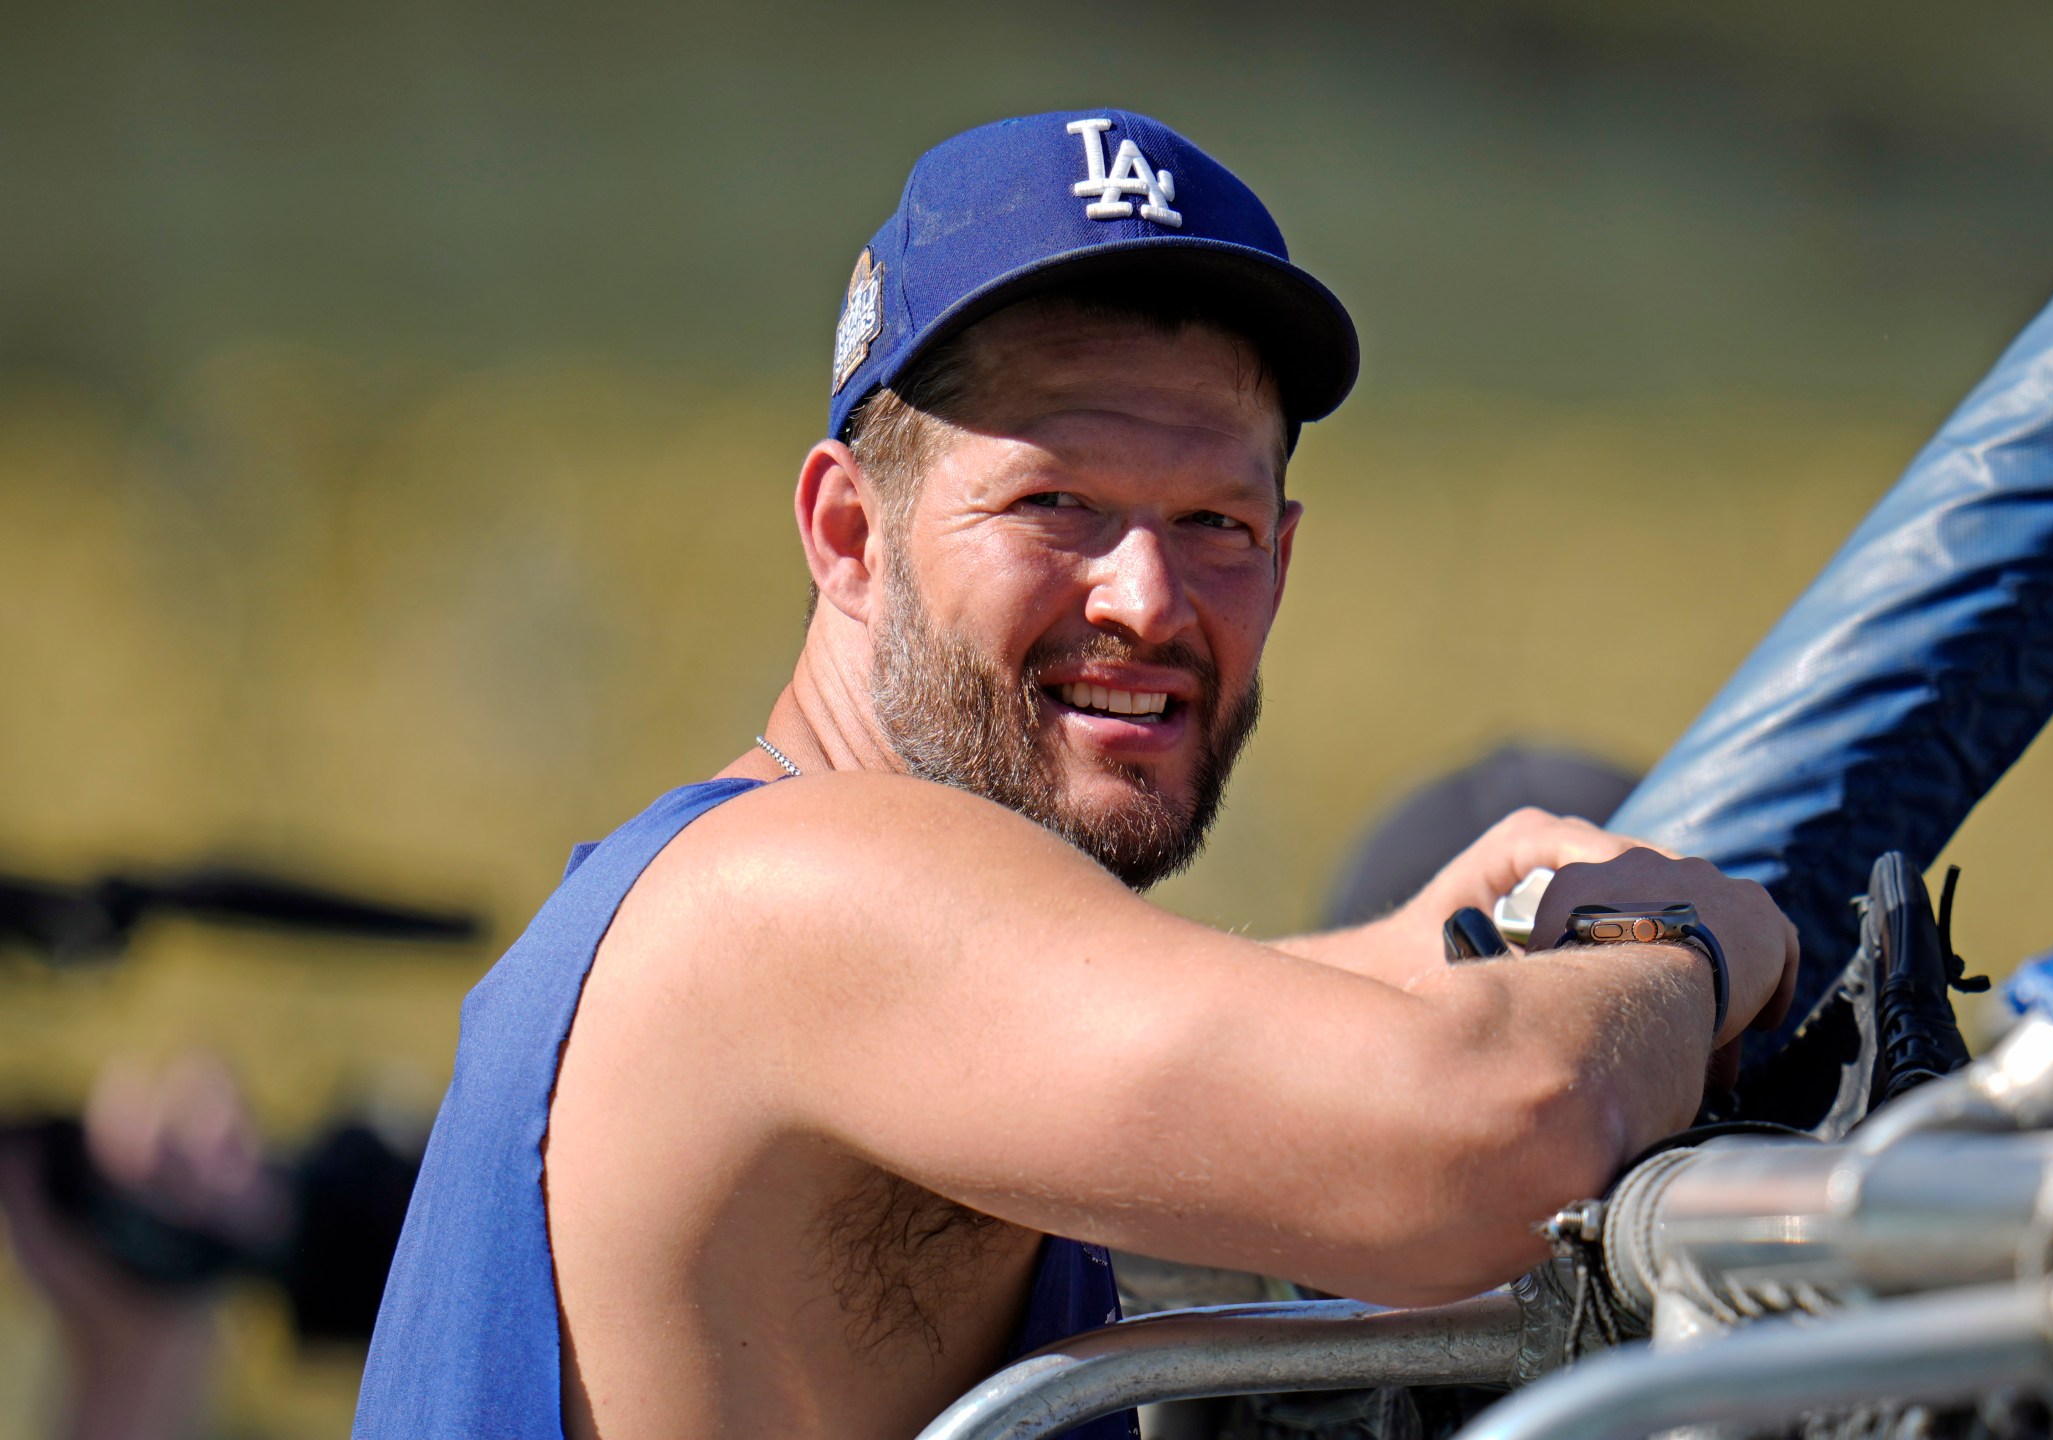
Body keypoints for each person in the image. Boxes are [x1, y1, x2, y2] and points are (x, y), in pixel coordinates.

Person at [353, 110, 1800, 1440]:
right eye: (1055, 503)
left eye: (1216, 521)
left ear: (1286, 557)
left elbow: (1075, 1019)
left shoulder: (835, 945)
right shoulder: (787, 889)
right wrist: (1684, 946)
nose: (1149, 600)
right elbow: (1487, 1138)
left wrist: (1400, 964)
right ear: (849, 533)